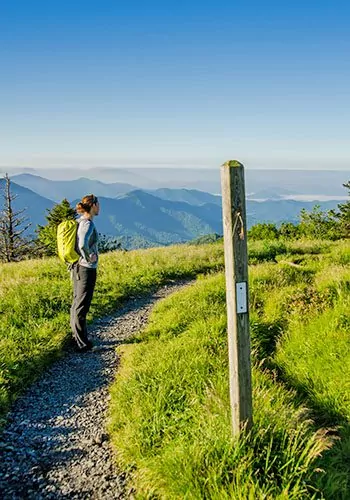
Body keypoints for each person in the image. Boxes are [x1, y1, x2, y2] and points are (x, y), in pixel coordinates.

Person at [70, 194, 100, 351]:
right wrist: (89, 256)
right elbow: (82, 244)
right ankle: (82, 344)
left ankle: (76, 337)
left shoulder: (79, 222)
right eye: (98, 204)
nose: (99, 207)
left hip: (77, 268)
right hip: (85, 269)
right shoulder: (87, 224)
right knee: (82, 305)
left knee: (77, 302)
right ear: (93, 205)